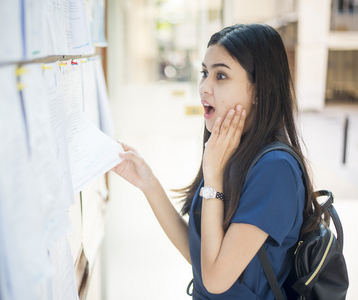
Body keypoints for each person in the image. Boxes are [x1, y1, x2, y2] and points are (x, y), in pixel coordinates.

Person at [112, 23, 322, 299]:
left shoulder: (275, 169)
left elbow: (215, 279)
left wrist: (213, 178)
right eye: (204, 73)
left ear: (259, 91)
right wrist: (148, 183)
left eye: (221, 75)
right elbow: (199, 257)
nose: (204, 87)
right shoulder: (233, 151)